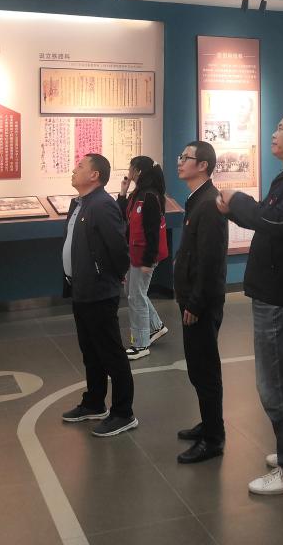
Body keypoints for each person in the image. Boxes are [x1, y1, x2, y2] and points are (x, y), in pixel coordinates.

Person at [217, 111, 283, 495]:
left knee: (277, 385)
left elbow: (276, 221)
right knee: (282, 379)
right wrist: (237, 209)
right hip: (272, 292)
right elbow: (268, 218)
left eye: (281, 128)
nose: (274, 133)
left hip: (281, 296)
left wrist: (238, 200)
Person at [60, 154, 138, 437]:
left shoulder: (102, 205)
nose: (74, 169)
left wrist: (111, 276)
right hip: (81, 288)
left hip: (99, 290)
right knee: (90, 351)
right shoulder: (81, 204)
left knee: (110, 353)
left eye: (80, 166)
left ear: (94, 175)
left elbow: (118, 248)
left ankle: (123, 412)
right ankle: (94, 402)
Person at [172, 141, 228, 464]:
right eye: (181, 157)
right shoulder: (197, 199)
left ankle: (213, 438)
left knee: (205, 370)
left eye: (186, 157)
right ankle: (208, 424)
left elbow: (210, 261)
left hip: (201, 303)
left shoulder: (209, 204)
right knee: (197, 367)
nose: (180, 162)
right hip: (192, 298)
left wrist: (195, 303)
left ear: (203, 165)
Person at [117, 156, 169, 360]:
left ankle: (141, 344)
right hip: (135, 252)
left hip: (144, 255)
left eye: (131, 168)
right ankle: (156, 327)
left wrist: (148, 260)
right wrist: (123, 192)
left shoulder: (150, 196)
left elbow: (153, 231)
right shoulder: (137, 194)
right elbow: (124, 216)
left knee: (136, 296)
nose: (128, 171)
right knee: (133, 292)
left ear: (138, 171)